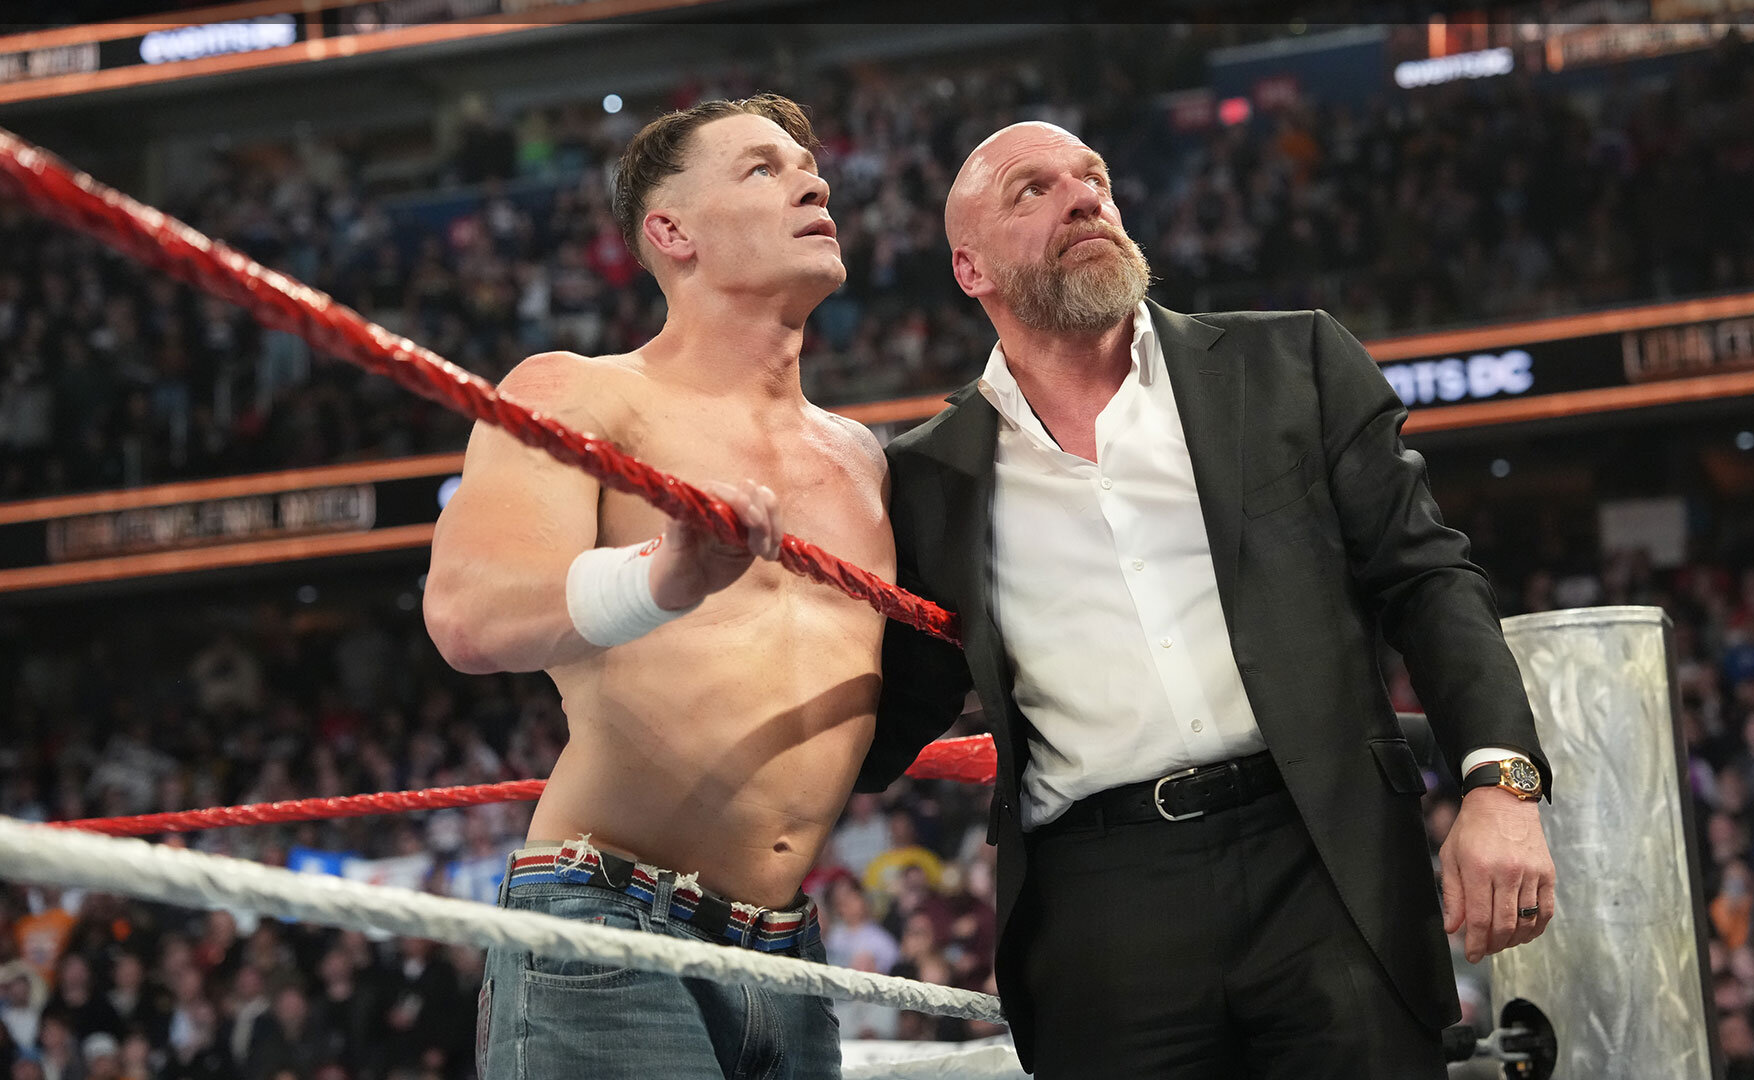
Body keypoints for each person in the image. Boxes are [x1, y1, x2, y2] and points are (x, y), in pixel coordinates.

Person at [859, 121, 1557, 1078]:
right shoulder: (930, 476)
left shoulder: (1291, 363)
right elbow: (891, 713)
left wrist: (1500, 783)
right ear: (968, 268)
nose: (1083, 198)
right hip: (1103, 902)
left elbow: (1427, 577)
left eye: (1094, 178)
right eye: (1033, 189)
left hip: (1324, 860)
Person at [425, 93, 890, 1080]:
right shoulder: (583, 392)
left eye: (811, 169)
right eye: (762, 168)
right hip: (609, 924)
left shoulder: (862, 461)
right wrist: (662, 578)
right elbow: (469, 614)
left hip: (789, 956)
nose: (814, 184)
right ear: (671, 232)